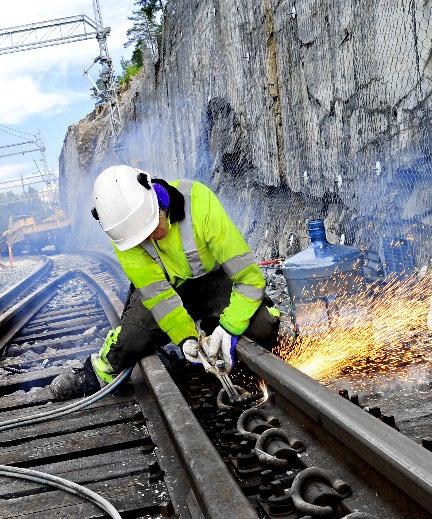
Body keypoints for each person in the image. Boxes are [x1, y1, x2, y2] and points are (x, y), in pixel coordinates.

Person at [50, 165, 281, 400]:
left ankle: (221, 339)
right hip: (169, 290)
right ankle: (97, 370)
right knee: (133, 339)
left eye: (152, 228)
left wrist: (229, 328)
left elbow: (249, 279)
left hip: (214, 283)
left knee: (262, 323)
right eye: (141, 238)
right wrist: (186, 338)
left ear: (157, 201)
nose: (149, 239)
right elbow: (158, 296)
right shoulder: (124, 233)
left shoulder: (198, 202)